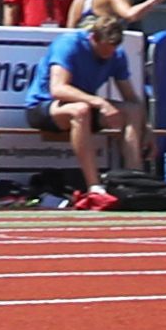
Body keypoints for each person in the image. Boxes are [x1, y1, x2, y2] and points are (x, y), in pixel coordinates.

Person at [22, 12, 146, 205]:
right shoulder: (69, 45)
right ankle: (94, 186)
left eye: (113, 50)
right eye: (105, 49)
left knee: (132, 111)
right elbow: (58, 89)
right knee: (80, 110)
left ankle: (135, 178)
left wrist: (146, 128)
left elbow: (131, 98)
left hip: (86, 106)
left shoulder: (116, 54)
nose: (109, 55)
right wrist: (100, 102)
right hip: (44, 107)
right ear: (92, 38)